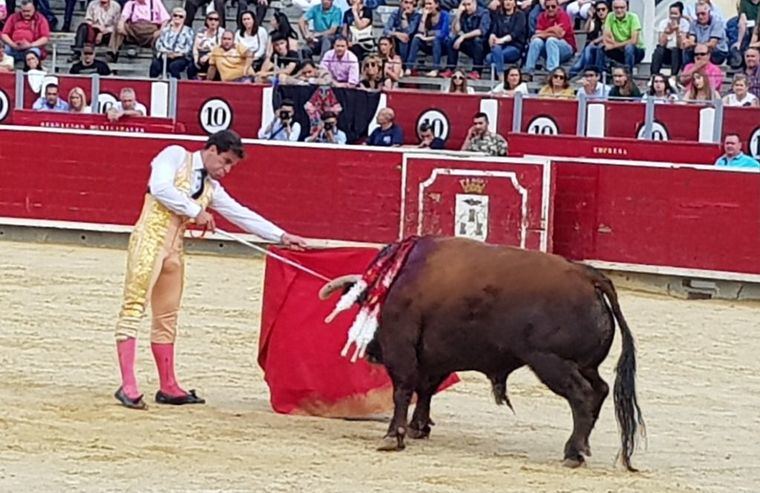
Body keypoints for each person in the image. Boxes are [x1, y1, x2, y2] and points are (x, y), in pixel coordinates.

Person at [113, 129, 308, 410]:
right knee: (134, 309)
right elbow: (160, 188)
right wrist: (196, 212)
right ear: (212, 150)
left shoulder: (210, 188)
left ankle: (168, 385)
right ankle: (128, 385)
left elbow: (241, 213)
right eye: (226, 162)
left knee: (167, 317)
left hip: (174, 252)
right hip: (148, 242)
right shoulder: (175, 155)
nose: (226, 170)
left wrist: (281, 236)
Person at [524, 0, 575, 73]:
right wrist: (552, 30)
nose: (550, 9)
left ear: (558, 7)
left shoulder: (563, 15)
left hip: (566, 48)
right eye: (547, 7)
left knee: (551, 40)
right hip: (548, 48)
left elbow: (560, 35)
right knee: (536, 41)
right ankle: (528, 71)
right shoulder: (541, 16)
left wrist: (543, 33)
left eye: (553, 6)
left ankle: (552, 72)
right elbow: (537, 33)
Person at [444, 0, 489, 79]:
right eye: (464, 5)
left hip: (482, 45)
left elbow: (481, 31)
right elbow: (456, 31)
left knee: (477, 40)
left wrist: (463, 37)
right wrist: (458, 15)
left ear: (474, 3)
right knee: (452, 40)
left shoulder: (484, 13)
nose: (467, 7)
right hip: (467, 42)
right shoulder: (464, 13)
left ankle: (477, 71)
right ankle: (450, 68)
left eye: (469, 4)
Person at [600, 0, 645, 73]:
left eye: (622, 7)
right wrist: (617, 46)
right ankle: (602, 75)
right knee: (601, 48)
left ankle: (628, 76)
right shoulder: (610, 16)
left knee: (629, 47)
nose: (619, 10)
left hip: (636, 51)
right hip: (619, 49)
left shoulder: (633, 17)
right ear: (612, 8)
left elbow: (633, 41)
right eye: (616, 8)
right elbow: (606, 38)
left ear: (627, 8)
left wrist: (614, 45)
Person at [149, 7, 193, 79]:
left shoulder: (188, 31)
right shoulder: (165, 30)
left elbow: (188, 47)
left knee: (174, 66)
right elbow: (159, 44)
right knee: (155, 64)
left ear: (184, 19)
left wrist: (177, 54)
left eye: (180, 16)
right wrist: (166, 53)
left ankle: (176, 87)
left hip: (180, 56)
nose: (177, 18)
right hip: (165, 55)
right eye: (175, 15)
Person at [651, 1, 689, 76]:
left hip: (678, 53)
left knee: (676, 50)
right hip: (666, 52)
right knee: (658, 50)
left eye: (675, 14)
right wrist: (667, 32)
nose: (673, 16)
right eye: (671, 13)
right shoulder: (664, 23)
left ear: (680, 15)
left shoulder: (685, 24)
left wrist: (677, 31)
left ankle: (673, 76)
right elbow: (661, 43)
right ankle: (654, 74)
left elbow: (681, 46)